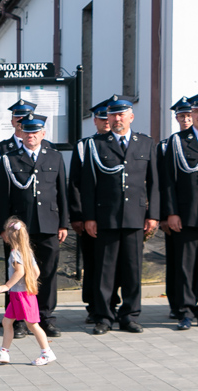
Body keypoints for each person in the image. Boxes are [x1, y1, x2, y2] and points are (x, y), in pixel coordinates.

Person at [81, 95, 159, 334]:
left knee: (132, 268)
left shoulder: (145, 143)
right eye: (113, 114)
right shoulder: (96, 145)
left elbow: (155, 183)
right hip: (106, 216)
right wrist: (90, 217)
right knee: (105, 270)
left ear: (131, 117)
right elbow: (88, 185)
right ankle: (104, 317)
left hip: (135, 216)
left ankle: (130, 315)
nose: (117, 118)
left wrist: (153, 214)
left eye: (121, 114)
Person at [0, 114, 69, 337]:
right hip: (20, 229)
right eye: (27, 131)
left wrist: (63, 223)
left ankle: (45, 317)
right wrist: (4, 228)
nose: (31, 135)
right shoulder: (9, 159)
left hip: (48, 224)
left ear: (43, 134)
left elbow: (61, 194)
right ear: (21, 133)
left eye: (35, 132)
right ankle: (18, 320)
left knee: (47, 272)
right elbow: (2, 197)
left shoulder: (54, 157)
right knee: (17, 273)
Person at [0, 99, 38, 339]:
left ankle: (40, 317)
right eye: (18, 118)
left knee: (40, 268)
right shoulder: (1, 149)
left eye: (26, 118)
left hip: (39, 220)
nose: (22, 122)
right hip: (14, 224)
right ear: (12, 121)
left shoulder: (41, 147)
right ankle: (15, 317)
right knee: (15, 268)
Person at [0, 218, 55, 365]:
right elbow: (36, 272)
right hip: (21, 295)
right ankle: (3, 352)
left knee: (32, 325)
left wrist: (7, 286)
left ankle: (47, 352)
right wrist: (29, 283)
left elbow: (19, 271)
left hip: (21, 295)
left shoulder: (15, 253)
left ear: (8, 236)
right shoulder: (27, 252)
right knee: (7, 321)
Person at [68, 100, 112, 324]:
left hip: (113, 217)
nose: (106, 122)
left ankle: (111, 303)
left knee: (113, 264)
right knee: (93, 263)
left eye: (108, 118)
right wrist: (77, 216)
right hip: (90, 217)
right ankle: (94, 306)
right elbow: (75, 183)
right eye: (101, 118)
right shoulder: (85, 146)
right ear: (94, 121)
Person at [163, 95, 198, 330]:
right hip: (187, 214)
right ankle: (185, 310)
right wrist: (171, 212)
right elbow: (168, 181)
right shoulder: (177, 141)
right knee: (186, 265)